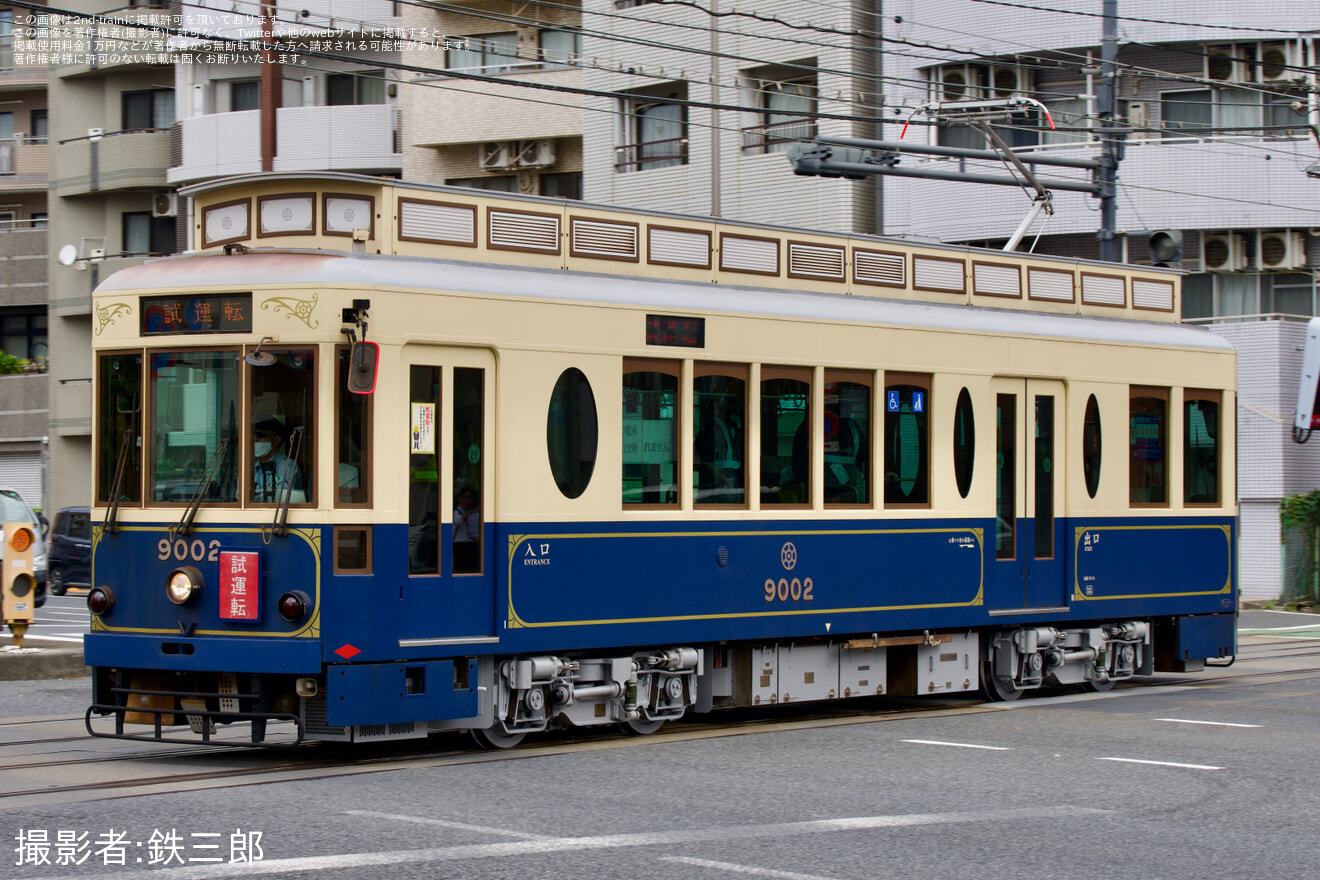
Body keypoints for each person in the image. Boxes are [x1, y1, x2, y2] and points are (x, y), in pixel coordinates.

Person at [253, 416, 302, 503]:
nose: (255, 439)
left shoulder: (288, 466)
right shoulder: (249, 469)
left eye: (260, 435)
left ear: (276, 441)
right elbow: (239, 495)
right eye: (253, 435)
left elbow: (283, 498)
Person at [452, 487, 480, 573]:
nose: (467, 501)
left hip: (471, 545)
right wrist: (472, 512)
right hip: (459, 545)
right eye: (464, 498)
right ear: (459, 499)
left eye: (470, 498)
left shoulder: (476, 515)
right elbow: (458, 521)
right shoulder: (456, 512)